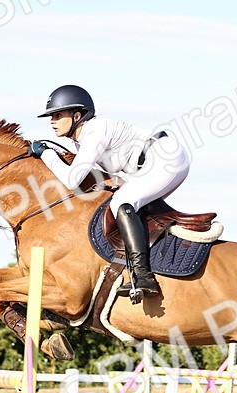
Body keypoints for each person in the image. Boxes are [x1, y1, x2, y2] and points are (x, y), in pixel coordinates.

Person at [29, 84, 191, 304]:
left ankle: (143, 276)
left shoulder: (94, 132)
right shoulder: (83, 138)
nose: (52, 121)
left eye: (58, 115)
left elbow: (72, 180)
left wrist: (47, 154)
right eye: (51, 117)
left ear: (77, 115)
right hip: (153, 163)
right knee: (131, 204)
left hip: (165, 159)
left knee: (122, 203)